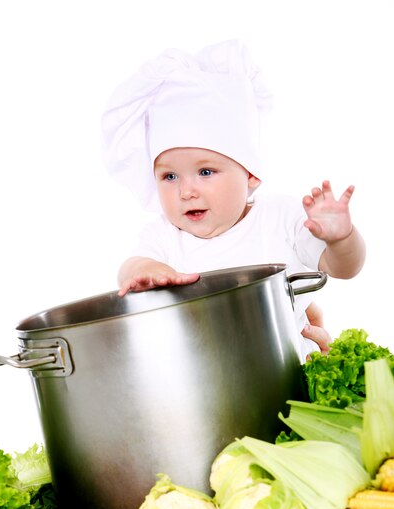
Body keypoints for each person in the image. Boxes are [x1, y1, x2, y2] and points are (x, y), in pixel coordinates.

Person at [101, 40, 365, 360]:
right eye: (170, 177)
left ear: (251, 175)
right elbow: (131, 267)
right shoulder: (165, 238)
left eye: (206, 171)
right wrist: (147, 271)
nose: (186, 191)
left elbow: (344, 268)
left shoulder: (281, 217)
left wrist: (341, 240)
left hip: (289, 371)